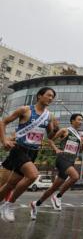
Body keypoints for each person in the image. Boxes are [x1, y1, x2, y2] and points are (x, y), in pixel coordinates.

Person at [0, 87, 58, 222]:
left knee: (10, 184)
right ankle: (8, 205)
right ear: (39, 96)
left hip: (33, 152)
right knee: (33, 175)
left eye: (52, 97)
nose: (51, 98)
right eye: (48, 95)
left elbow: (50, 136)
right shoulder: (25, 110)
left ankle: (5, 204)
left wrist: (55, 129)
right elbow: (3, 122)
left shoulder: (48, 116)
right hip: (19, 148)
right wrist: (4, 140)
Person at [30, 113, 83, 219]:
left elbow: (80, 151)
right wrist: (56, 149)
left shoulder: (79, 136)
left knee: (53, 188)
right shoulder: (65, 130)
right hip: (62, 158)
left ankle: (35, 204)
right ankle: (58, 196)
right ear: (72, 121)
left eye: (81, 120)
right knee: (75, 176)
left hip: (71, 161)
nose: (80, 122)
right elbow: (50, 140)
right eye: (79, 119)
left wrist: (82, 144)